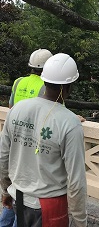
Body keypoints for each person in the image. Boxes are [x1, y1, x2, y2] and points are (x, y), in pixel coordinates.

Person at [0, 53, 87, 227]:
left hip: (19, 198)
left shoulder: (16, 110)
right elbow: (76, 183)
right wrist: (80, 222)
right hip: (50, 206)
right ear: (68, 86)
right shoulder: (70, 123)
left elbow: (3, 157)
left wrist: (5, 190)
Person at [0, 49, 53, 227]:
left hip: (15, 140)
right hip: (32, 147)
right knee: (22, 203)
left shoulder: (18, 82)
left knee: (11, 196)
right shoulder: (47, 87)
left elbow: (10, 107)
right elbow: (55, 116)